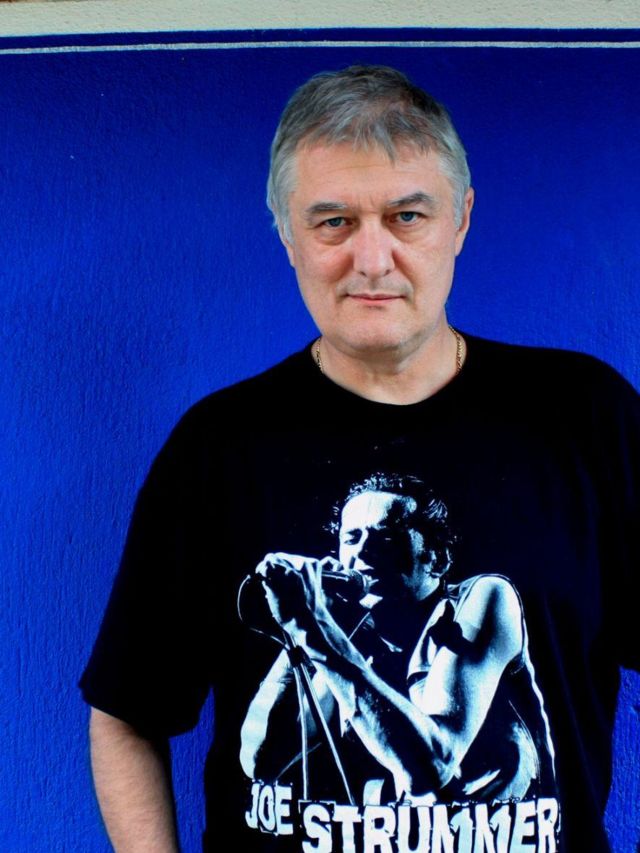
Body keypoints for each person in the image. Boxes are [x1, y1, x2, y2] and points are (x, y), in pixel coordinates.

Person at [81, 65, 639, 852]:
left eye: (407, 216)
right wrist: (309, 627)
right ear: (289, 236)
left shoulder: (581, 421)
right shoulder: (219, 447)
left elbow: (428, 763)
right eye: (333, 222)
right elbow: (165, 726)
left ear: (460, 220)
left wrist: (315, 632)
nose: (371, 259)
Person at [240, 474, 557, 813]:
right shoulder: (344, 637)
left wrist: (315, 629)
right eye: (351, 538)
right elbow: (259, 760)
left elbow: (432, 768)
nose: (362, 551)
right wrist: (299, 628)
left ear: (438, 558)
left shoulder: (485, 598)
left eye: (386, 538)